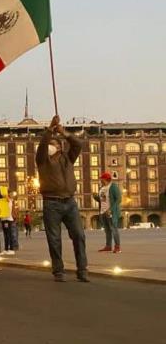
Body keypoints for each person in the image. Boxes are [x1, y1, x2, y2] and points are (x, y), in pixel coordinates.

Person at [35, 115, 88, 282]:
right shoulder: (42, 161)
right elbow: (42, 146)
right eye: (50, 144)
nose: (51, 146)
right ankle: (58, 271)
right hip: (51, 202)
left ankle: (82, 269)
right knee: (54, 238)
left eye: (54, 144)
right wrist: (50, 130)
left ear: (60, 147)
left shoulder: (68, 158)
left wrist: (63, 132)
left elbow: (78, 144)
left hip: (70, 202)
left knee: (79, 235)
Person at [93, 171, 122, 253]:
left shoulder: (113, 187)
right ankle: (108, 246)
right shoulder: (101, 188)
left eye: (101, 179)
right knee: (107, 230)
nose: (100, 180)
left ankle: (117, 247)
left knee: (114, 229)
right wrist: (95, 197)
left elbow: (118, 199)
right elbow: (102, 200)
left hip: (111, 212)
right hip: (103, 212)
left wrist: (111, 210)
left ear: (106, 179)